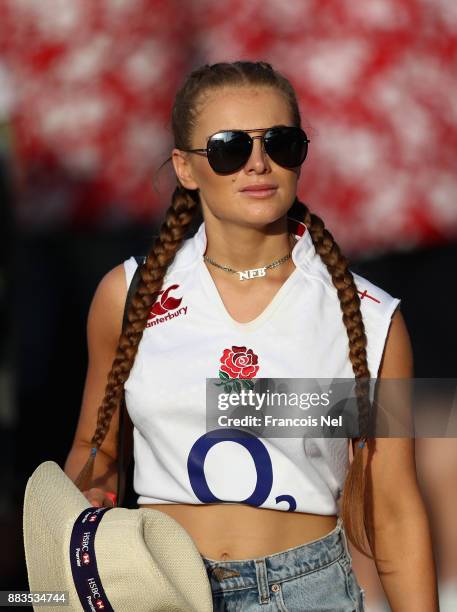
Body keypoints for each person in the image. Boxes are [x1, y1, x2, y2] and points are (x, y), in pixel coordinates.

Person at [64, 61, 438, 610]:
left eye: (281, 143)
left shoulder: (371, 315)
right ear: (186, 168)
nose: (258, 164)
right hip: (158, 586)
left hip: (309, 592)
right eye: (229, 147)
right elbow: (93, 451)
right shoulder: (126, 295)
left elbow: (395, 506)